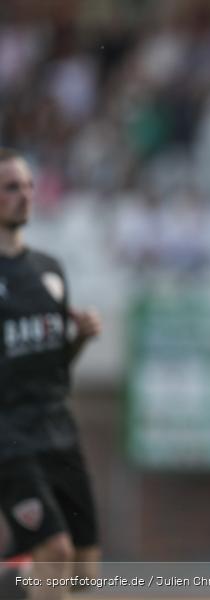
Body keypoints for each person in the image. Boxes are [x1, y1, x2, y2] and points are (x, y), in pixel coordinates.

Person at [0, 149, 102, 599]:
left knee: (83, 573)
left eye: (26, 186)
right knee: (54, 551)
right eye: (10, 187)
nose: (24, 196)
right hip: (11, 438)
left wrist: (79, 337)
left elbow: (57, 363)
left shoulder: (50, 271)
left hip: (59, 429)